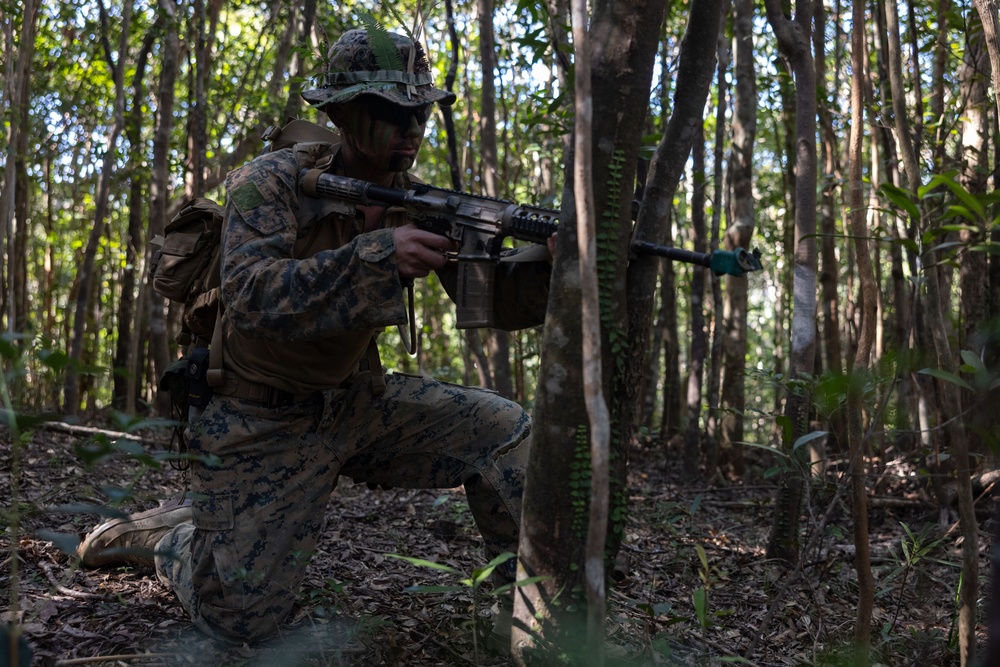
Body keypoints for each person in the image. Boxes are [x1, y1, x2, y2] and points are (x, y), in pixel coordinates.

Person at [75, 28, 553, 651]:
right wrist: (378, 256)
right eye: (391, 113)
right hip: (257, 415)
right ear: (342, 114)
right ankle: (169, 536)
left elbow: (494, 301)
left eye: (422, 112)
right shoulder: (270, 183)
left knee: (506, 430)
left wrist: (554, 262)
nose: (411, 129)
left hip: (355, 402)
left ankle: (520, 619)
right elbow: (251, 298)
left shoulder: (417, 200)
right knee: (241, 624)